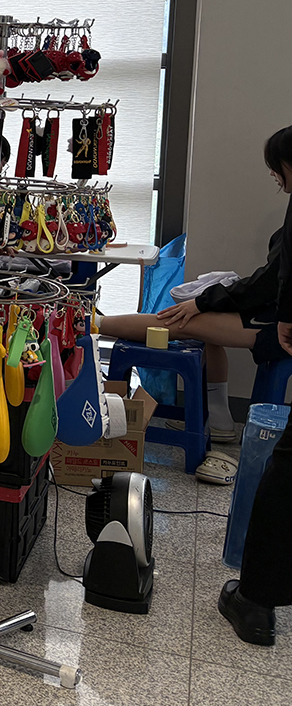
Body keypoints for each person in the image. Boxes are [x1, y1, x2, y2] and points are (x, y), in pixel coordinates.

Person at [102, 126, 292, 645]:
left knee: (179, 321)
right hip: (269, 318)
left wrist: (209, 300)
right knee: (191, 322)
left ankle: (91, 324)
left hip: (274, 326)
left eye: (276, 169)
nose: (275, 179)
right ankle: (223, 425)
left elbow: (271, 283)